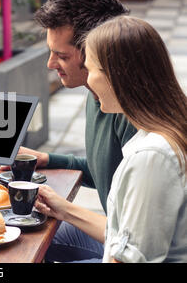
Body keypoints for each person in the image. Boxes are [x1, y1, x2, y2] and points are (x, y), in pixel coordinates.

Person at [0, 0, 137, 262]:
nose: (50, 64)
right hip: (116, 234)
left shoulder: (132, 116)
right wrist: (46, 158)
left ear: (98, 51)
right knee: (17, 228)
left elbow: (139, 242)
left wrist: (64, 209)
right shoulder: (99, 94)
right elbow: (109, 171)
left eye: (62, 55)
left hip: (129, 249)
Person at [35, 16, 187, 263]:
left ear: (119, 77)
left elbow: (130, 258)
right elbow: (125, 236)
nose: (89, 82)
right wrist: (63, 209)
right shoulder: (160, 132)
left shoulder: (151, 156)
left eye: (92, 69)